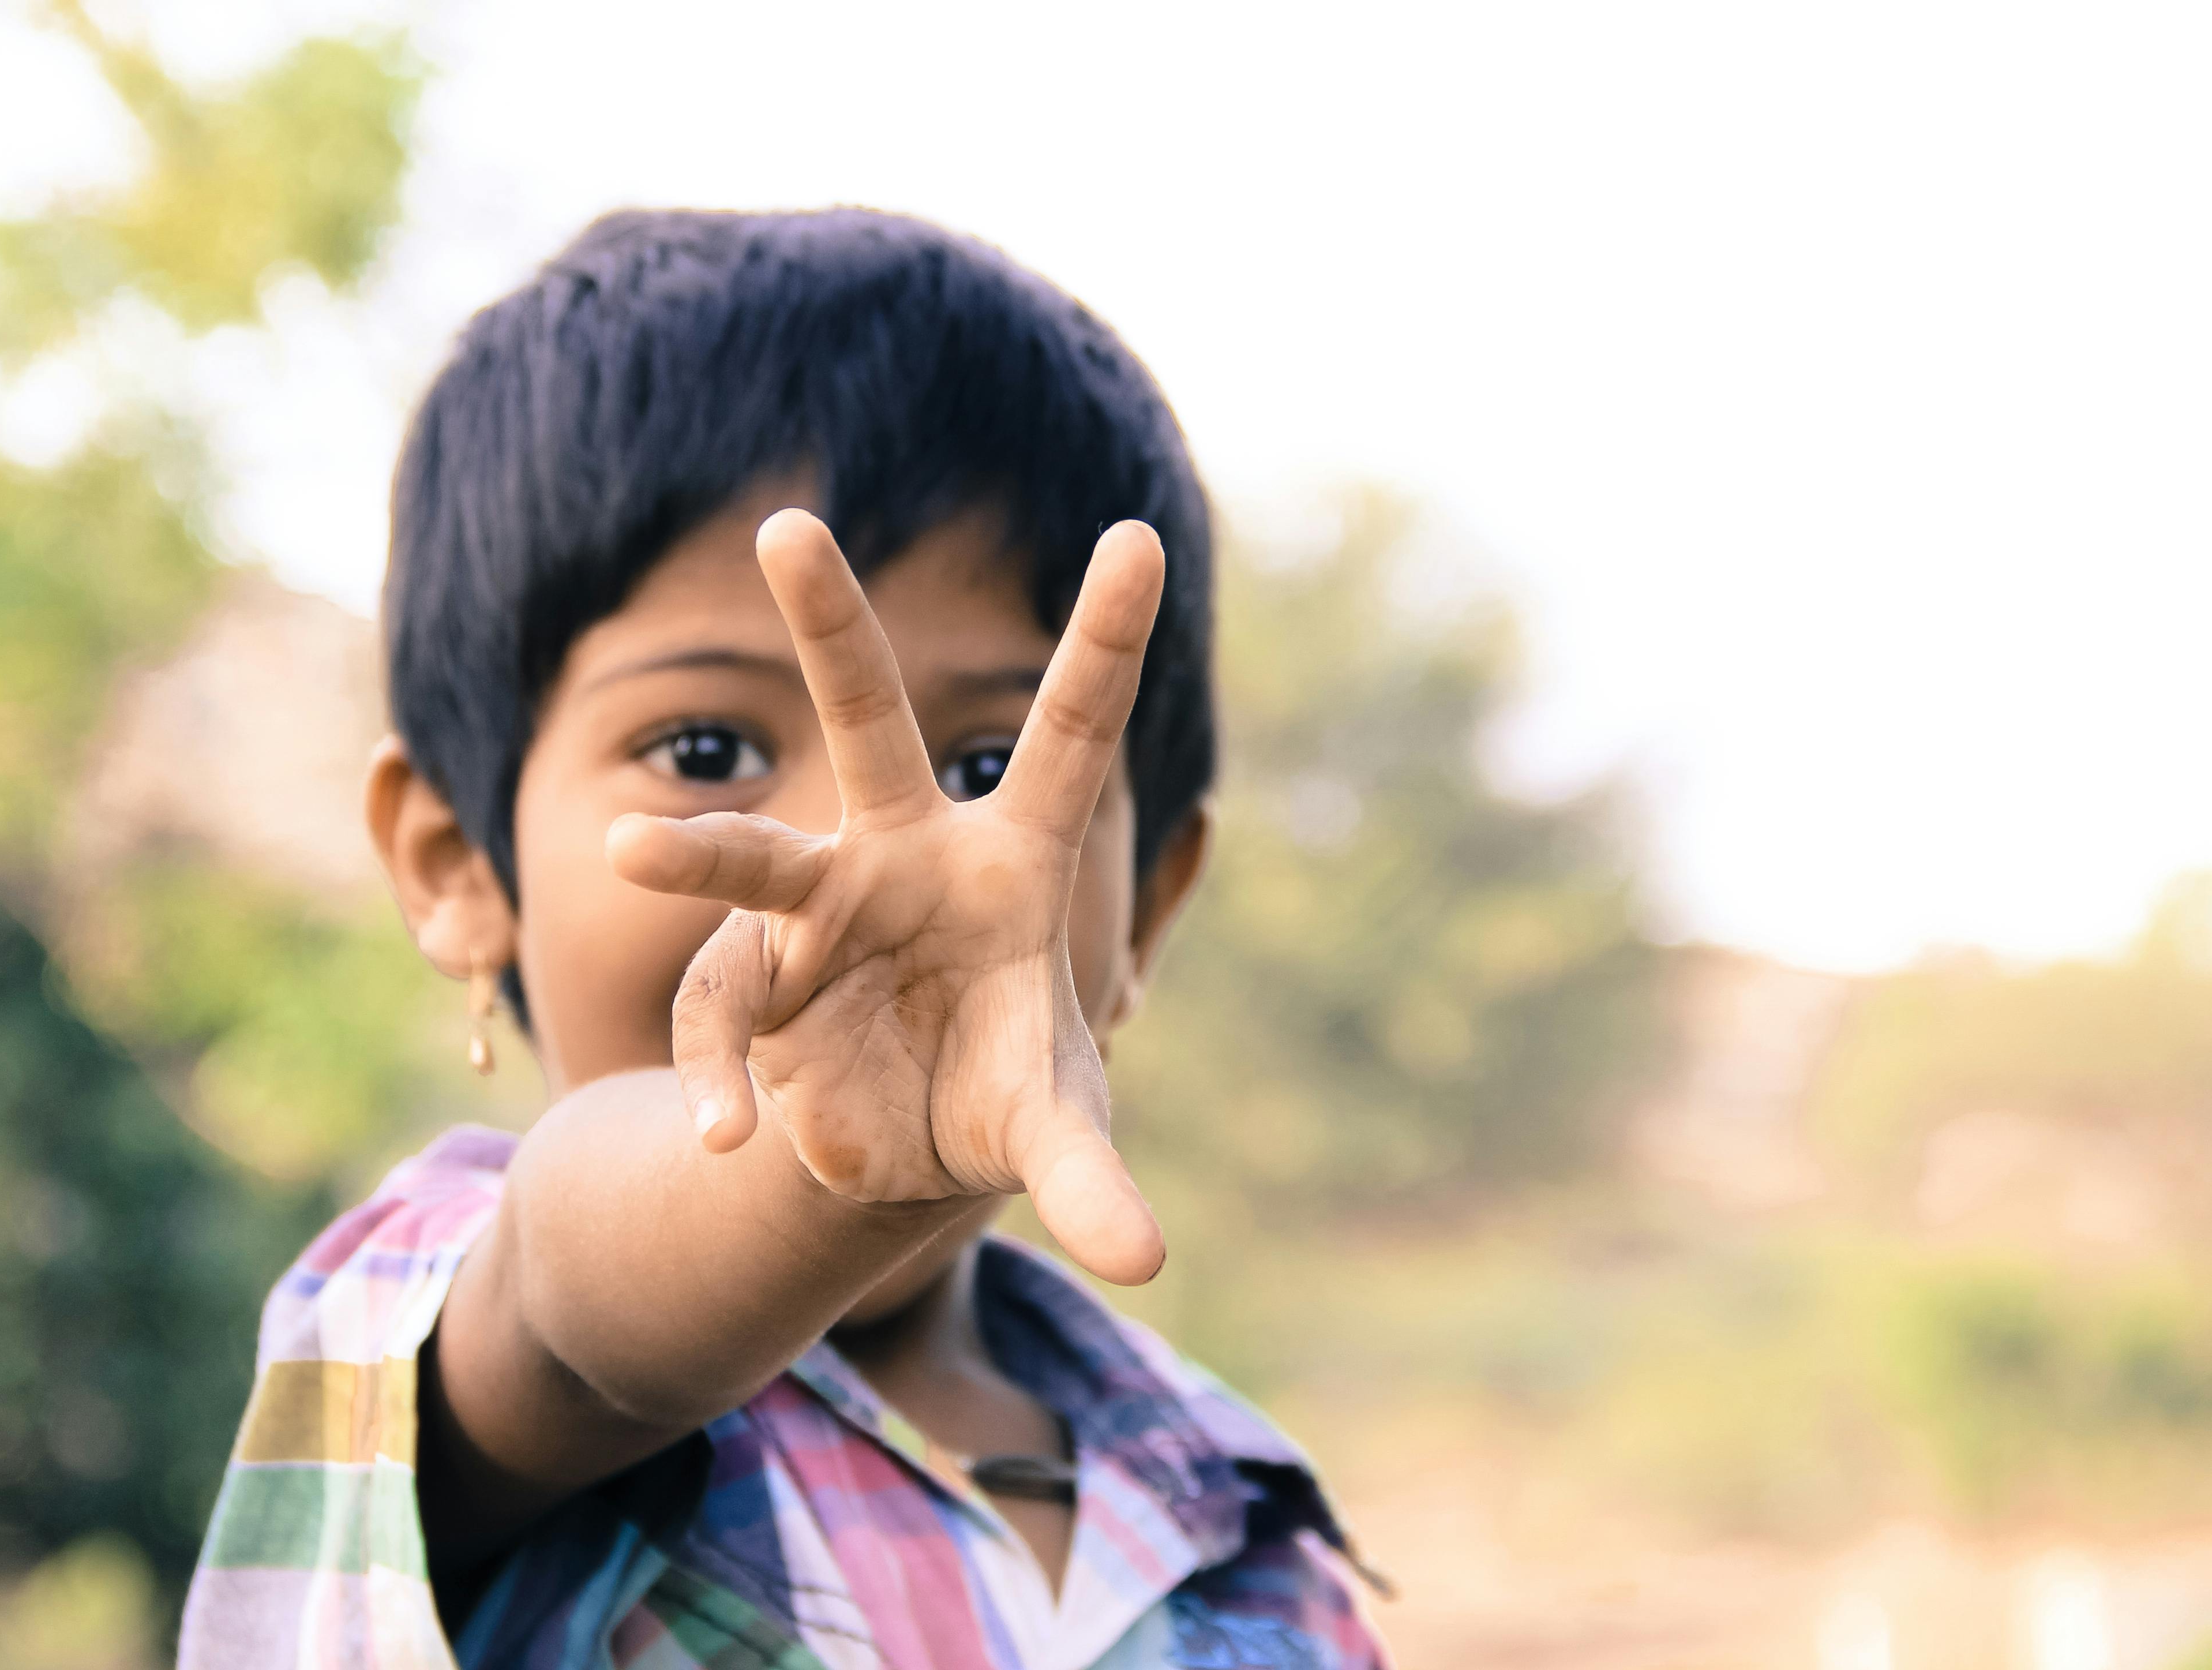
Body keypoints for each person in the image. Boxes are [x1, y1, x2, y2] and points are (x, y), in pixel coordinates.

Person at [177, 208, 1390, 1669]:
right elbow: (570, 1296)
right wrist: (833, 1163)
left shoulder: (1250, 1529)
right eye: (704, 747)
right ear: (453, 864)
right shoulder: (447, 1332)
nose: (862, 865)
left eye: (987, 769)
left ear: (1150, 906)